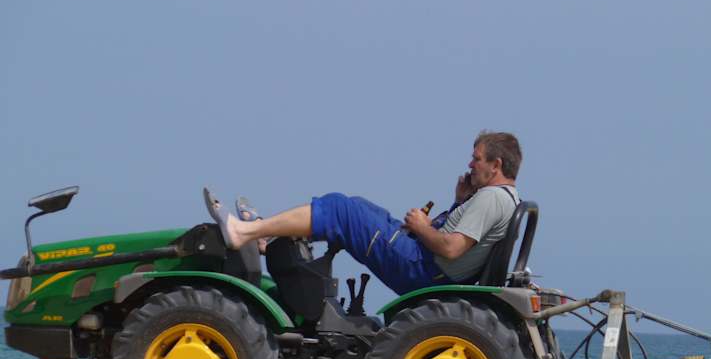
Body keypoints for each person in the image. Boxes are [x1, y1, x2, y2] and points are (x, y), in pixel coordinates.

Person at [204, 131, 522, 296]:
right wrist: (459, 202)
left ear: (496, 166)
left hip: (421, 268)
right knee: (355, 204)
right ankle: (266, 236)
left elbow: (452, 248)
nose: (470, 165)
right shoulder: (499, 198)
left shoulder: (492, 198)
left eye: (477, 159)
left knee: (343, 210)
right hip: (423, 259)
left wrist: (422, 226)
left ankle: (246, 232)